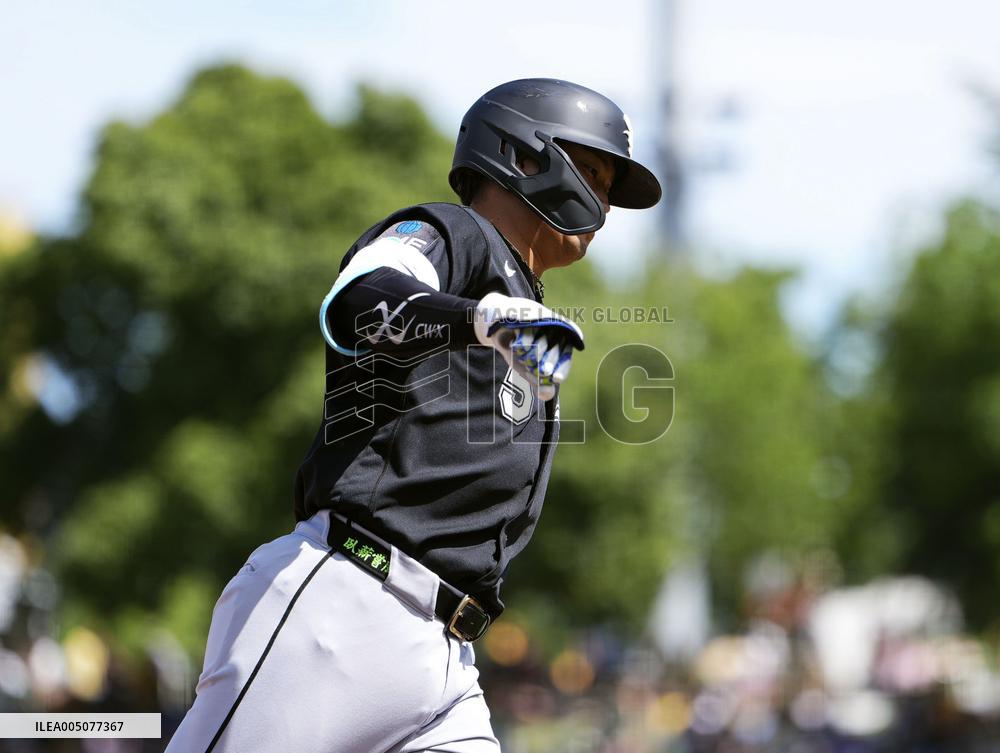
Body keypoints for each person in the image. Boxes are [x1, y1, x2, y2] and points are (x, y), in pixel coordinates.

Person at [166, 78, 661, 753]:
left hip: (445, 657)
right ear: (523, 156)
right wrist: (478, 317)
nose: (603, 198)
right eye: (595, 170)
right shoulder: (454, 232)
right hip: (343, 604)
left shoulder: (523, 307)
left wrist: (497, 321)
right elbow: (360, 298)